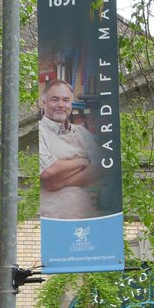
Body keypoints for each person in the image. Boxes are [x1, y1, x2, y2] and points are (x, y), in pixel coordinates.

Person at [38, 78, 101, 220]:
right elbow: (48, 171)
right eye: (55, 99)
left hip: (83, 219)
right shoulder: (39, 132)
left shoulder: (82, 132)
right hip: (51, 221)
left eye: (66, 100)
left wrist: (62, 182)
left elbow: (103, 167)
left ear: (71, 104)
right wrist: (82, 162)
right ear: (44, 102)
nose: (61, 105)